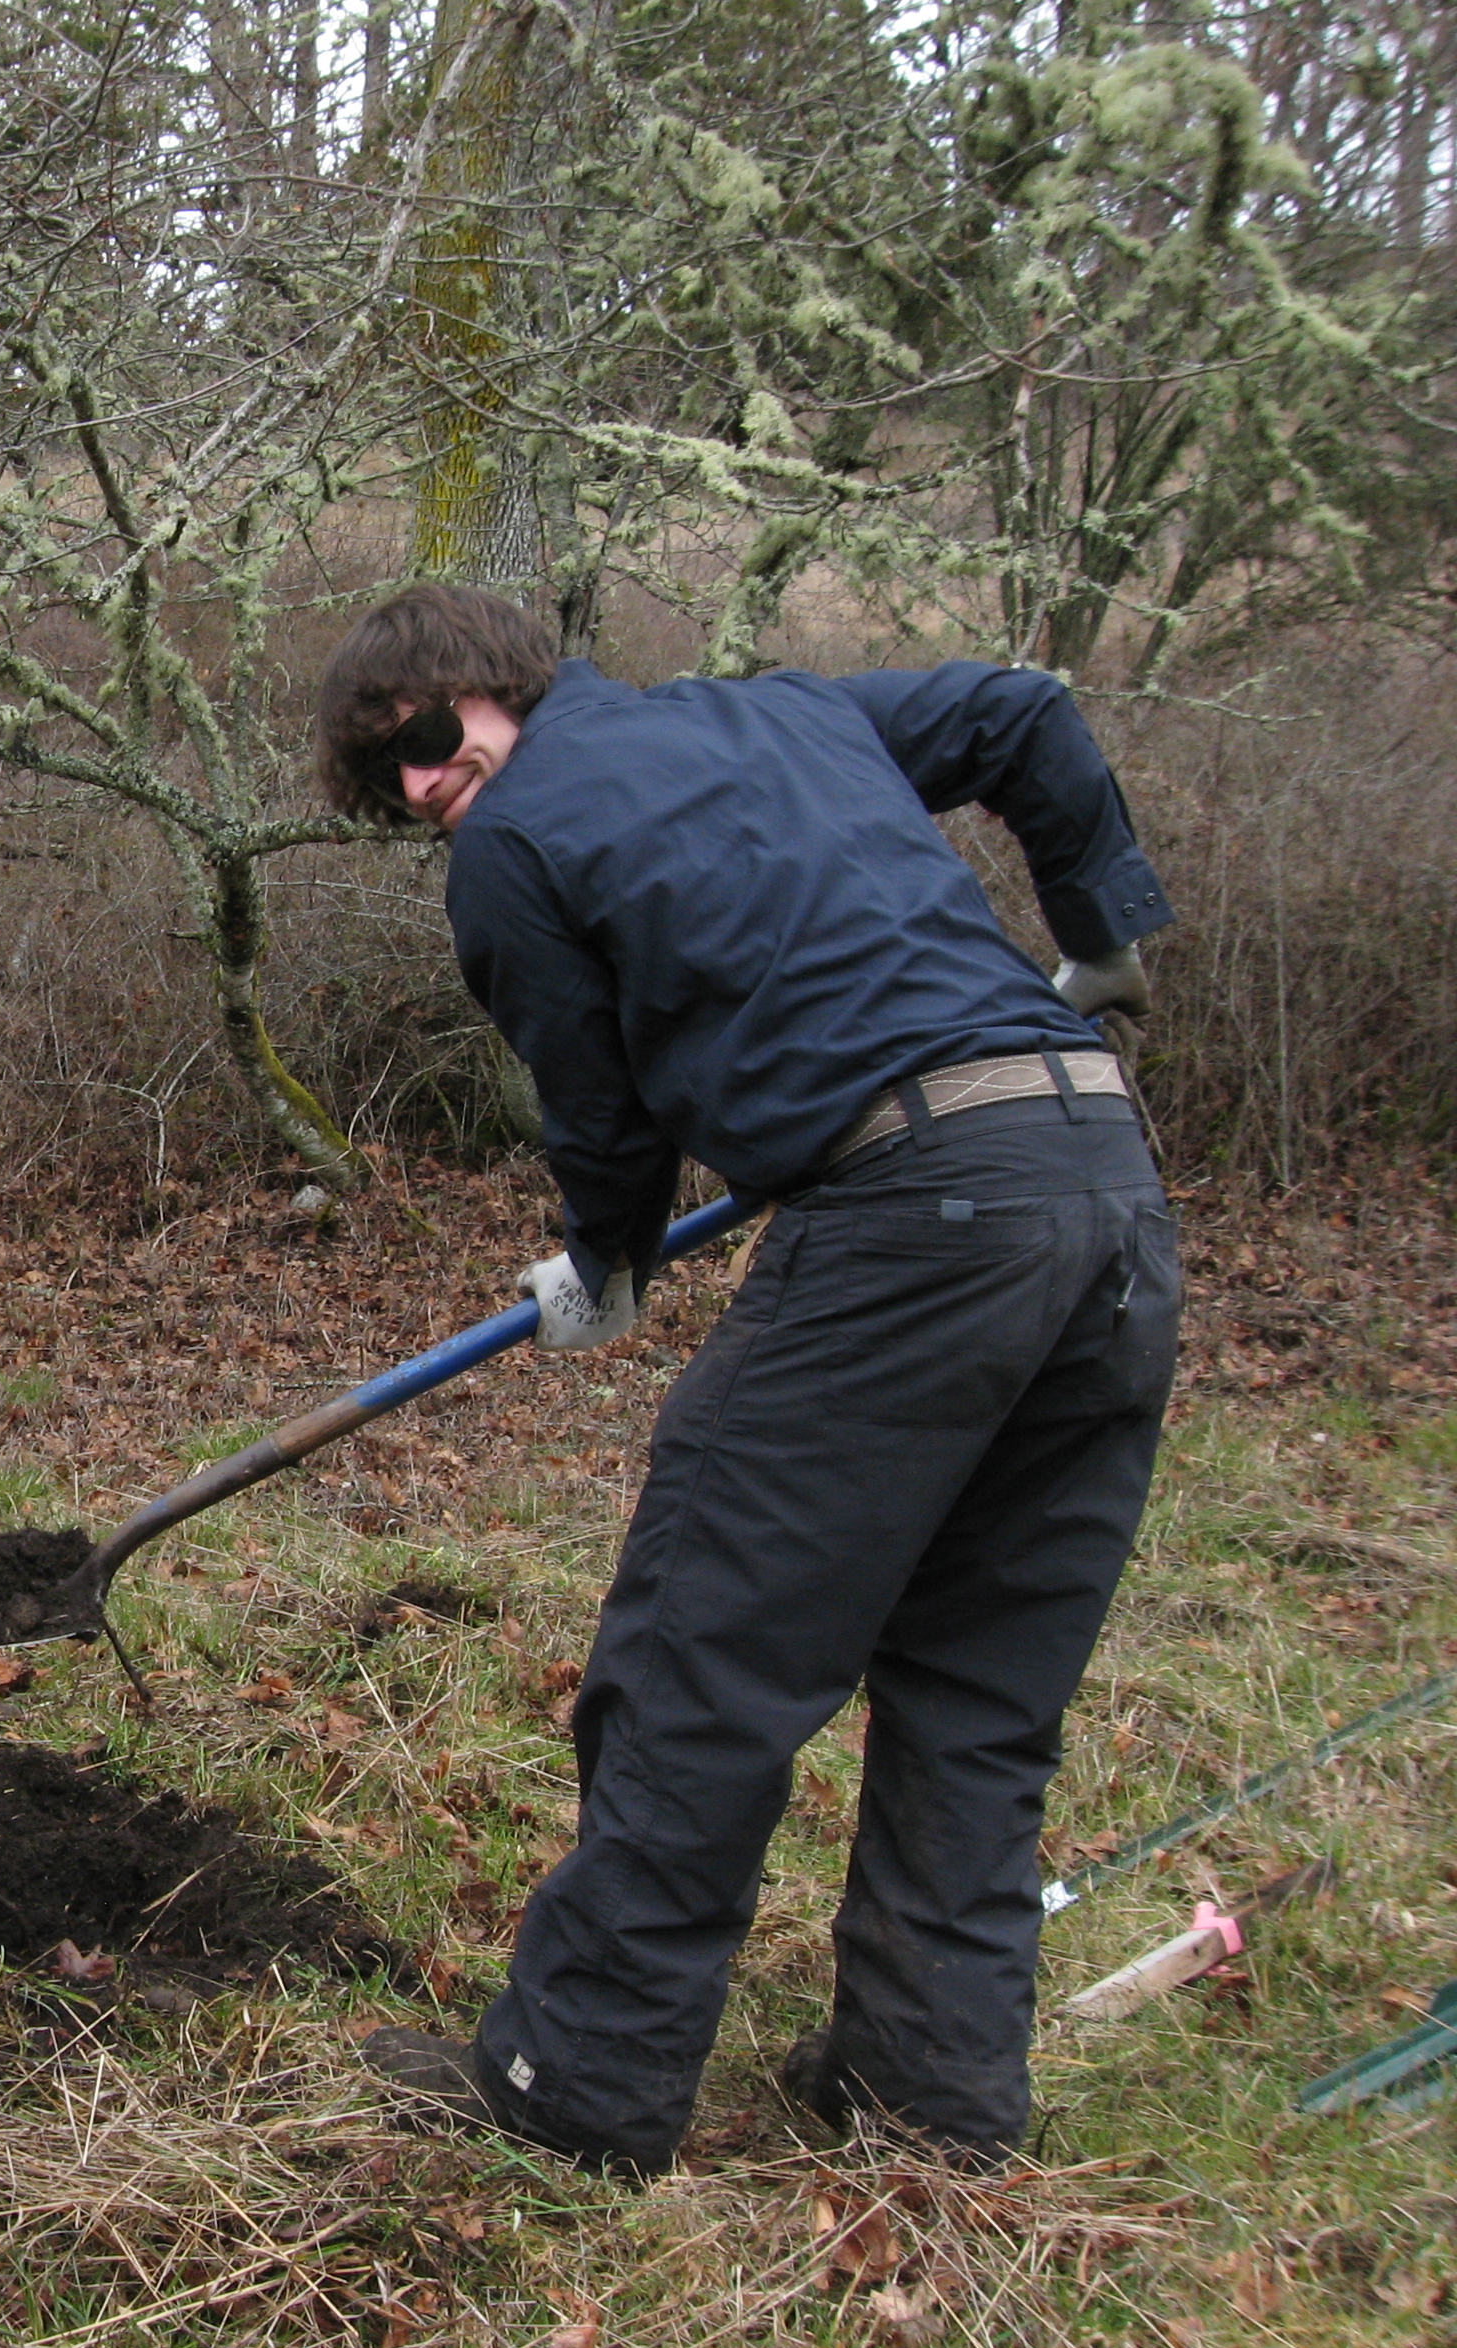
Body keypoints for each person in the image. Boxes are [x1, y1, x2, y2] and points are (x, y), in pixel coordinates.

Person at [313, 585, 1179, 2175]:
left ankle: (575, 2083)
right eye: (393, 792)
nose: (427, 793)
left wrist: (607, 1260)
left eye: (425, 745)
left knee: (699, 1648)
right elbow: (1026, 714)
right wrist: (1101, 934)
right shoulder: (788, 709)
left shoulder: (515, 849)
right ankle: (929, 2096)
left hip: (916, 1219)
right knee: (984, 1685)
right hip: (1103, 1186)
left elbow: (602, 1108)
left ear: (496, 686)